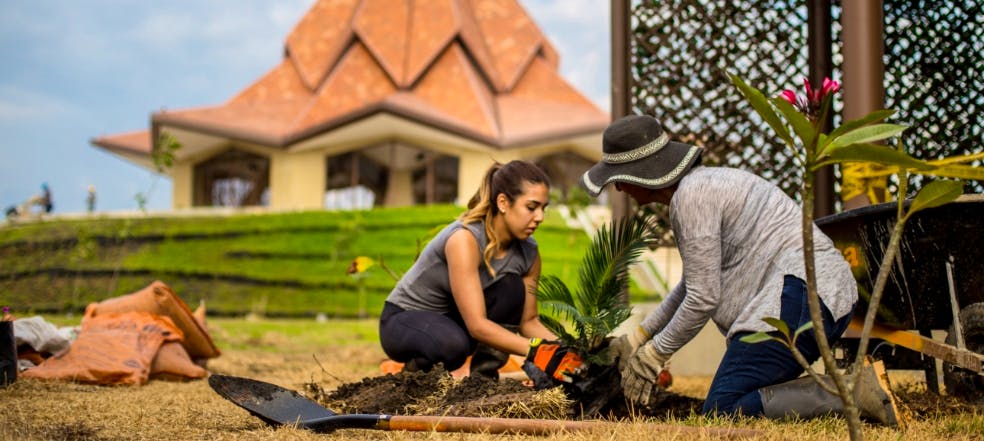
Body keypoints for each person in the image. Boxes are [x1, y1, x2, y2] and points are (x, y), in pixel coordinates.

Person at [580, 114, 904, 427]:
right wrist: (638, 338)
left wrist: (654, 355)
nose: (619, 189)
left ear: (641, 173)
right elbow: (690, 285)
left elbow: (702, 298)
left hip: (801, 295)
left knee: (724, 409)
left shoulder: (692, 198)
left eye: (618, 178)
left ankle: (851, 392)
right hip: (817, 294)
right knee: (732, 399)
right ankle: (847, 389)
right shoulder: (701, 188)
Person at [379, 160, 583, 384]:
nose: (540, 217)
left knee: (512, 288)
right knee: (452, 346)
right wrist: (537, 351)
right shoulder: (464, 239)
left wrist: (571, 349)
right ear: (503, 203)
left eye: (543, 208)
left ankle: (482, 382)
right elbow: (476, 325)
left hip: (453, 322)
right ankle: (410, 382)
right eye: (531, 207)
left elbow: (529, 322)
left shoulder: (529, 254)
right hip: (403, 321)